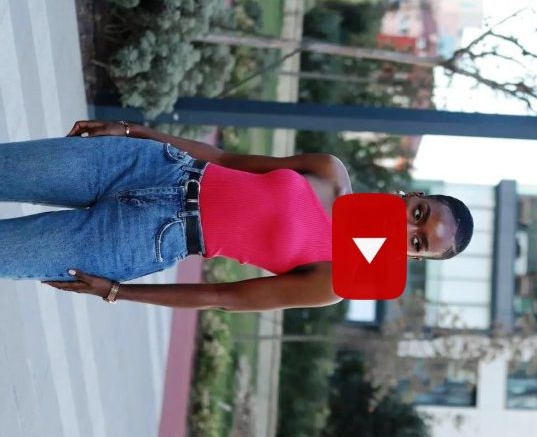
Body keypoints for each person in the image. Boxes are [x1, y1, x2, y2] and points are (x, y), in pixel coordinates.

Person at [0, 120, 474, 311]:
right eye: (419, 213)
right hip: (146, 165)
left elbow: (222, 296)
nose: (406, 228)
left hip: (143, 237)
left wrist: (117, 291)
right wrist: (135, 132)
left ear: (411, 257)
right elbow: (226, 160)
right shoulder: (330, 172)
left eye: (417, 241)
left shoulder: (333, 281)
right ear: (411, 195)